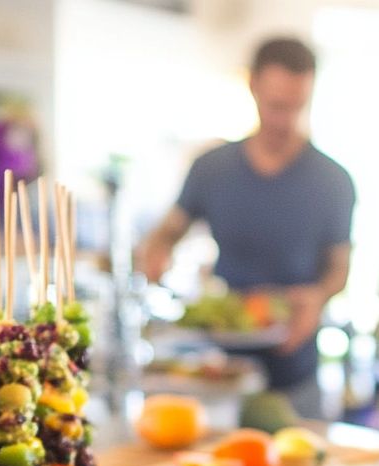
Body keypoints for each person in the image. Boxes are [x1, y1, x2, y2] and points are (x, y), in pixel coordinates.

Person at [138, 37, 356, 418]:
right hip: (218, 369)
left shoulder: (333, 180)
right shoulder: (211, 167)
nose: (283, 119)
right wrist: (156, 249)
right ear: (253, 86)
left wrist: (318, 295)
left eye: (296, 106)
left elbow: (339, 268)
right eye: (275, 105)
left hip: (295, 371)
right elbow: (170, 230)